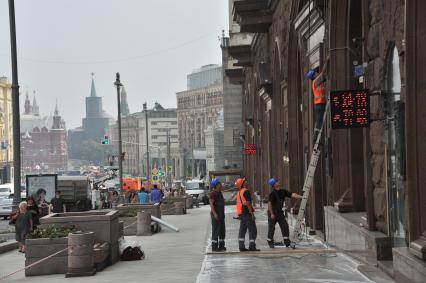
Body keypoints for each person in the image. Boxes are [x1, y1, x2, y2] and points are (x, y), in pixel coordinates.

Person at [266, 177, 302, 248]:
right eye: (276, 181)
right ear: (274, 184)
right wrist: (272, 214)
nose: (278, 182)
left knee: (285, 226)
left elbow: (292, 194)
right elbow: (269, 205)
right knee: (271, 228)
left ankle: (287, 241)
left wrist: (301, 197)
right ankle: (270, 241)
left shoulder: (283, 191)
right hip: (272, 213)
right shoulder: (272, 194)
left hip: (280, 213)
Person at [306, 56, 330, 141]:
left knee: (320, 120)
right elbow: (323, 73)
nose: (317, 73)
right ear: (314, 76)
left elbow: (324, 77)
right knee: (319, 120)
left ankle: (317, 135)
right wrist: (326, 62)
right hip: (320, 104)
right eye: (316, 72)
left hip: (319, 103)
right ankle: (316, 136)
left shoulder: (317, 81)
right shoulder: (316, 81)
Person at [235, 178, 259, 252]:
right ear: (242, 184)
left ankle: (241, 246)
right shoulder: (246, 191)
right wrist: (252, 214)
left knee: (242, 230)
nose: (246, 182)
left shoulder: (239, 192)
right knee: (253, 230)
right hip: (247, 213)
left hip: (241, 214)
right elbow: (248, 203)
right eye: (244, 181)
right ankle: (252, 246)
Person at [209, 178, 226, 252]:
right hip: (216, 215)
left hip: (221, 214)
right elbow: (211, 205)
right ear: (216, 185)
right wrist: (215, 214)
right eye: (219, 183)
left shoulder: (220, 193)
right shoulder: (213, 193)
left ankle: (221, 246)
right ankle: (214, 247)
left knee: (222, 230)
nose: (221, 184)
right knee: (216, 230)